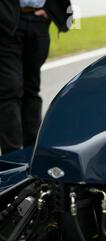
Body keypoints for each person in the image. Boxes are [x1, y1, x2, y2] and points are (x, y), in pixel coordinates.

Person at [0, 0, 72, 155]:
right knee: (10, 88)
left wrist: (51, 12)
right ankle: (11, 155)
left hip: (39, 21)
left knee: (31, 88)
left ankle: (32, 150)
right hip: (8, 21)